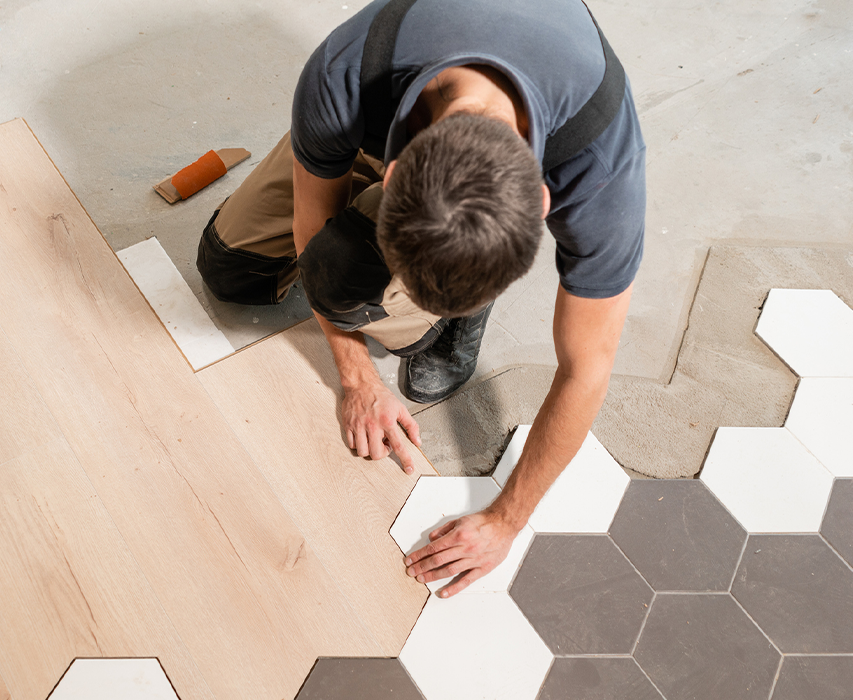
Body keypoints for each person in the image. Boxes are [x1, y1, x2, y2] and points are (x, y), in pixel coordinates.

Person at [196, 0, 645, 598]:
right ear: (394, 173)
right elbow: (314, 230)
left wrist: (506, 519)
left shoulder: (599, 166)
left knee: (360, 282)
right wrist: (357, 377)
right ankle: (428, 249)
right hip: (376, 120)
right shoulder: (344, 74)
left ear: (543, 200)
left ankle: (467, 278)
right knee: (234, 272)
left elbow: (587, 368)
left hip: (451, 129)